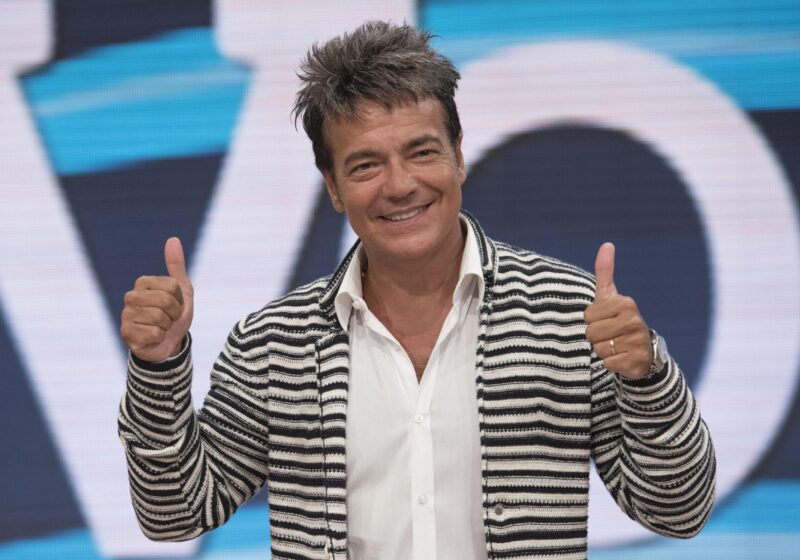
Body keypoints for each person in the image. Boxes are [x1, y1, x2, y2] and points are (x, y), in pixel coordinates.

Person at [118, 20, 716, 560]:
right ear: (333, 187)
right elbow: (175, 515)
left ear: (458, 156)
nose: (400, 185)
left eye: (421, 152)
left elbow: (680, 511)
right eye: (365, 165)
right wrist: (157, 368)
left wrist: (648, 378)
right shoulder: (273, 343)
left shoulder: (570, 314)